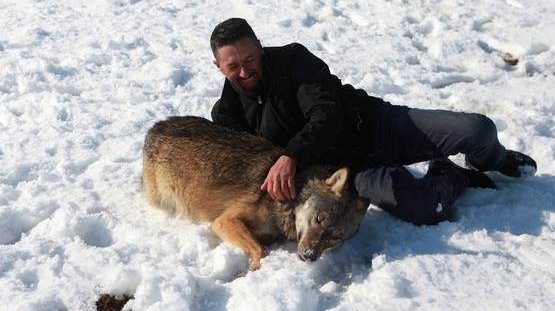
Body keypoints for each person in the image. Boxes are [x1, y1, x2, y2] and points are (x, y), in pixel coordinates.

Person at [209, 18, 537, 225]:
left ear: (259, 48)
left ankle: (497, 159)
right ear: (218, 66)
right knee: (423, 208)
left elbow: (327, 115)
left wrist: (290, 156)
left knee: (476, 129)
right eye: (233, 66)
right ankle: (451, 176)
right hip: (352, 170)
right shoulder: (227, 116)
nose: (244, 70)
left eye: (249, 58)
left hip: (379, 124)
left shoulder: (295, 60)